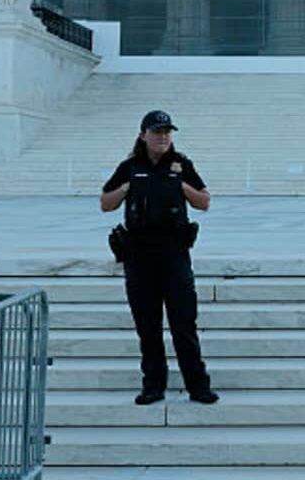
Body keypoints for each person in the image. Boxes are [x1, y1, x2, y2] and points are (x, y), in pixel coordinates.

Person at [101, 110, 217, 406]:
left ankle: (198, 386)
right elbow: (106, 203)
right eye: (157, 132)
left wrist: (180, 185)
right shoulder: (130, 167)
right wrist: (128, 187)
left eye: (167, 132)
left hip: (174, 255)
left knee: (184, 324)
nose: (163, 137)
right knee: (148, 326)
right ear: (143, 135)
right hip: (139, 258)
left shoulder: (181, 165)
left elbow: (204, 202)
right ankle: (153, 385)